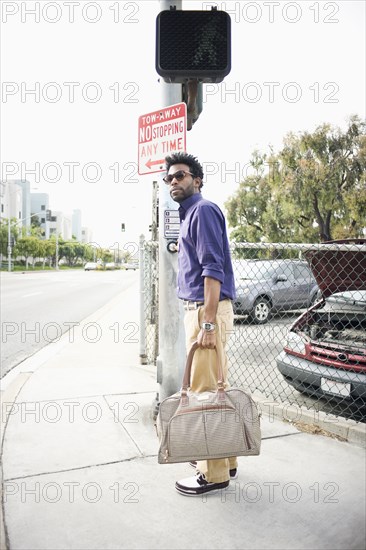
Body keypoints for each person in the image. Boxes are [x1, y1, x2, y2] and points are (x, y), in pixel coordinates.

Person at [163, 152, 237, 496]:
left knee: (205, 393)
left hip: (206, 313)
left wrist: (207, 323)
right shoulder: (190, 215)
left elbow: (213, 268)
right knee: (215, 389)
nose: (174, 182)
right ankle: (228, 460)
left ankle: (214, 474)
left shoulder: (203, 211)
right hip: (203, 312)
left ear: (197, 180)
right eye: (169, 178)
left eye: (180, 175)